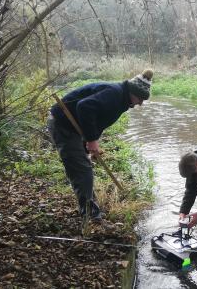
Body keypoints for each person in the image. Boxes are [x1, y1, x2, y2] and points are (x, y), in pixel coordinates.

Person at [48, 69, 153, 220]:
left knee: (83, 166)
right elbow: (84, 107)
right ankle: (90, 215)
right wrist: (91, 140)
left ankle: (91, 207)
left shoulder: (121, 98)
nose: (141, 104)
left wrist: (88, 143)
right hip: (63, 124)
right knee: (82, 169)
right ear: (133, 93)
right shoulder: (114, 94)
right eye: (141, 99)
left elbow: (97, 119)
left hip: (71, 126)